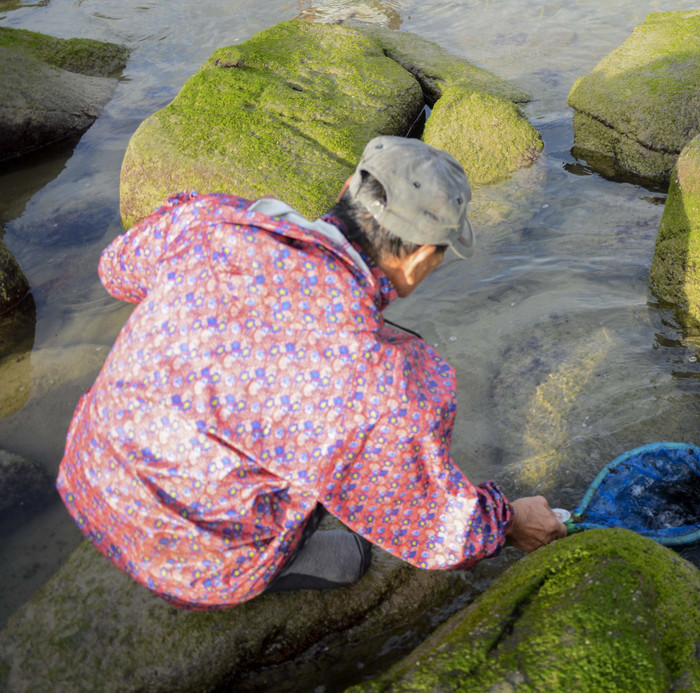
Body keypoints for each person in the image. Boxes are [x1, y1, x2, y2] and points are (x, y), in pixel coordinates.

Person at [56, 136, 566, 609]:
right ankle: (267, 567)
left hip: (85, 478)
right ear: (420, 262)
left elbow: (115, 268)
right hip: (191, 568)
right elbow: (434, 527)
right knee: (351, 505)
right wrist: (510, 521)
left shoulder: (209, 222)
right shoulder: (384, 379)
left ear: (348, 188)